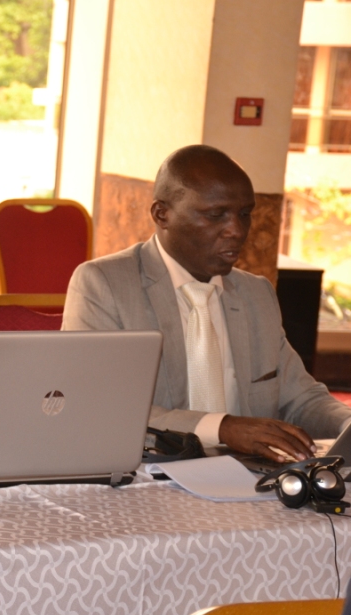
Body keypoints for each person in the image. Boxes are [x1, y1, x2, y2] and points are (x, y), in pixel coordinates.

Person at [62, 145, 351, 463]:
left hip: (249, 476)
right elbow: (97, 404)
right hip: (149, 473)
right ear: (162, 215)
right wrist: (222, 428)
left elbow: (301, 398)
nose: (236, 230)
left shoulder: (256, 294)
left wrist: (347, 423)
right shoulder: (105, 284)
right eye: (216, 215)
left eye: (245, 214)